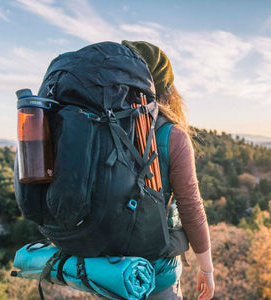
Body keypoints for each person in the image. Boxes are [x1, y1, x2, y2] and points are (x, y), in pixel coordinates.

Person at [121, 40, 215, 300]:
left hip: (107, 271)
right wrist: (206, 268)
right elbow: (191, 206)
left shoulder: (100, 128)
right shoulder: (171, 135)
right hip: (155, 277)